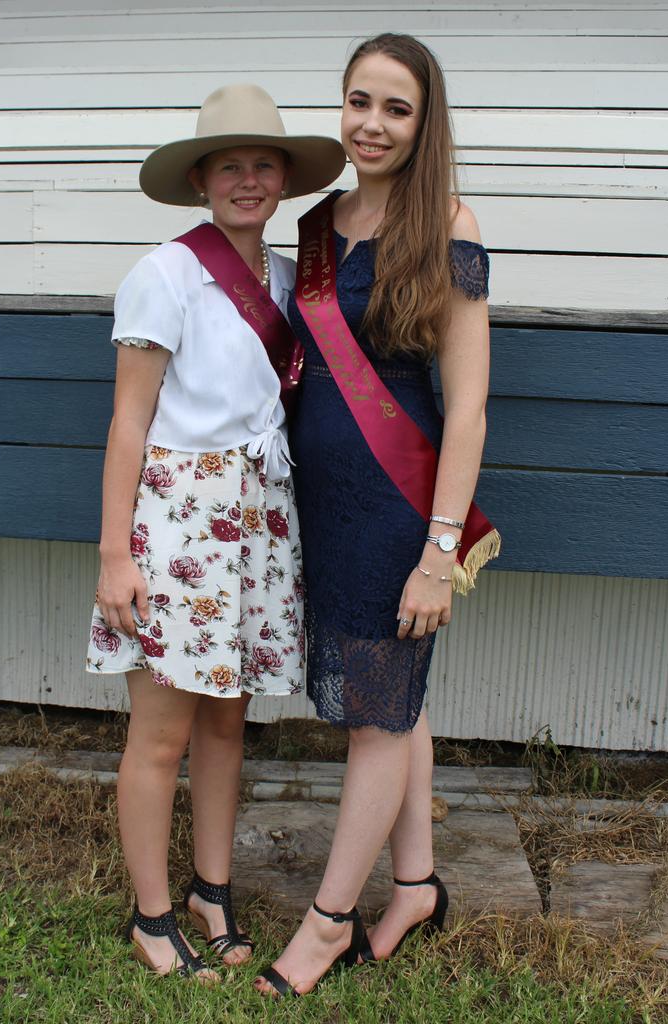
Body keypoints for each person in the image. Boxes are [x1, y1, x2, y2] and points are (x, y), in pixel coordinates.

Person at [255, 34, 500, 997]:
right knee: (397, 705)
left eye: (396, 108)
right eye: (360, 102)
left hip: (401, 512)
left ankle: (326, 925)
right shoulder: (318, 227)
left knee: (374, 721)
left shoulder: (448, 223)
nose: (373, 124)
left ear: (423, 121)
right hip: (324, 504)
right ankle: (415, 888)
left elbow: (470, 404)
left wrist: (439, 552)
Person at [85, 83, 345, 982]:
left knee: (228, 728)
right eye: (229, 165)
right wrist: (116, 556)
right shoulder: (164, 273)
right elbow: (129, 421)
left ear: (283, 181)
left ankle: (211, 891)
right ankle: (152, 917)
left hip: (260, 521)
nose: (248, 179)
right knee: (161, 736)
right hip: (180, 520)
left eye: (264, 164)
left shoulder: (284, 280)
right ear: (201, 179)